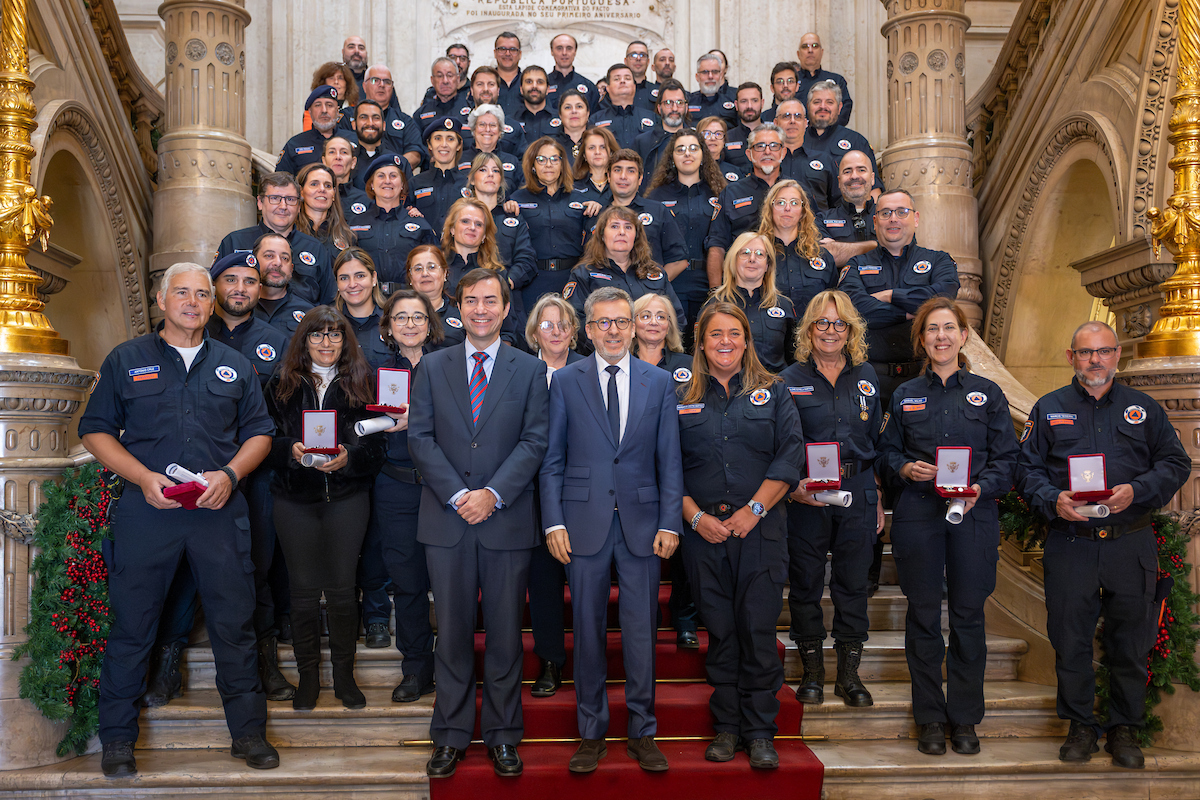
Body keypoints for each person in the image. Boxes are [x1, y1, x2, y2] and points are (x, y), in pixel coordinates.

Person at [81, 263, 279, 777]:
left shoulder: (235, 365)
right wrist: (144, 477)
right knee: (133, 628)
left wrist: (231, 475)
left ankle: (248, 734)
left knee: (235, 627)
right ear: (162, 300)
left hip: (217, 513)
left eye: (202, 295)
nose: (192, 302)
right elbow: (96, 431)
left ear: (212, 305)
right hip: (149, 513)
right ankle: (118, 741)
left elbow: (260, 432)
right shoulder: (127, 359)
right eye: (182, 293)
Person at [1017, 321, 1190, 769]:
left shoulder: (1143, 408)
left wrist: (1139, 490)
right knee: (1070, 640)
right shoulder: (1049, 407)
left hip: (1128, 543)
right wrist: (1052, 499)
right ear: (1070, 356)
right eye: (1085, 352)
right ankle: (1079, 727)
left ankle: (1123, 729)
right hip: (1071, 542)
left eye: (1104, 351)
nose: (1095, 360)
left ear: (1117, 355)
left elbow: (1175, 462)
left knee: (1130, 642)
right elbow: (1025, 469)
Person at [408, 268, 550, 779]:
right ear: (458, 306)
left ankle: (503, 734)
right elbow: (419, 439)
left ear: (507, 307)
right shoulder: (432, 366)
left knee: (507, 634)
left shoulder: (529, 370)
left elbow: (535, 442)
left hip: (504, 521)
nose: (482, 309)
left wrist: (491, 494)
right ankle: (449, 735)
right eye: (472, 301)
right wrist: (457, 494)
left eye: (491, 301)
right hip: (446, 522)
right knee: (451, 634)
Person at [540, 286, 683, 774]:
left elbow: (670, 460)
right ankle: (590, 732)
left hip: (644, 525)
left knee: (642, 631)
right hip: (582, 525)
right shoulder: (565, 381)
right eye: (603, 322)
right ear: (588, 329)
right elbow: (552, 461)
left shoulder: (659, 382)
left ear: (634, 324)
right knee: (587, 631)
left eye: (621, 321)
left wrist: (670, 521)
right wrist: (554, 520)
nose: (613, 331)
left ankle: (643, 730)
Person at [879, 297, 1019, 755]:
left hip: (974, 516)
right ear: (921, 340)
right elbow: (888, 454)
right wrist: (905, 471)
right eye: (932, 329)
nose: (940, 336)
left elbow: (1008, 459)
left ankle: (964, 719)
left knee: (968, 617)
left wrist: (983, 487)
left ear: (963, 336)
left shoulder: (988, 394)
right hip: (919, 514)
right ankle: (930, 719)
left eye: (948, 328)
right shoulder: (904, 396)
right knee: (922, 617)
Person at [677, 301, 803, 770]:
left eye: (734, 333)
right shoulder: (681, 395)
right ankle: (728, 729)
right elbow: (667, 470)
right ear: (701, 342)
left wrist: (753, 510)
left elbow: (789, 458)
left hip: (761, 532)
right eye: (715, 334)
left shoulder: (774, 391)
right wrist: (694, 519)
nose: (724, 341)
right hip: (703, 534)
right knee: (723, 633)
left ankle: (760, 731)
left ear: (747, 339)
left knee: (756, 629)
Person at [264, 306, 386, 712]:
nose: (327, 342)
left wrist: (349, 457)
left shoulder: (363, 384)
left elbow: (377, 448)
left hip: (347, 499)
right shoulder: (279, 385)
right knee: (301, 593)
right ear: (304, 340)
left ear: (345, 340)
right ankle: (309, 678)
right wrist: (289, 451)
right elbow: (261, 441)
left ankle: (345, 677)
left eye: (335, 335)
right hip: (294, 500)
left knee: (341, 590)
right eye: (317, 335)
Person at [778, 290, 883, 712]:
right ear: (808, 329)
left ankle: (849, 674)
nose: (830, 331)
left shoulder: (868, 376)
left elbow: (874, 440)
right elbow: (781, 445)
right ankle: (813, 673)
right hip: (807, 496)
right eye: (822, 323)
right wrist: (792, 489)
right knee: (805, 583)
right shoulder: (788, 379)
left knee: (853, 583)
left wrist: (874, 496)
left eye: (839, 324)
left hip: (857, 490)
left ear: (851, 330)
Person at [207, 252, 294, 700]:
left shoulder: (276, 340)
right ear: (216, 286)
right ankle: (167, 658)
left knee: (254, 567)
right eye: (230, 280)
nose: (240, 288)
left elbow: (282, 413)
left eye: (249, 281)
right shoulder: (191, 333)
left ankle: (265, 661)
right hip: (197, 473)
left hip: (255, 475)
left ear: (260, 291)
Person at [370, 289, 445, 703]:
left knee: (450, 583)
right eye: (401, 317)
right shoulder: (373, 370)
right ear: (389, 326)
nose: (410, 324)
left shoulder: (451, 364)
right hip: (395, 486)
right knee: (409, 583)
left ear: (430, 323)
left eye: (418, 317)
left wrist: (415, 417)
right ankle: (416, 669)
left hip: (444, 488)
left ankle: (452, 666)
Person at [839, 188, 960, 405]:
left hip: (925, 376)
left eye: (902, 212)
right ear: (875, 222)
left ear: (916, 218)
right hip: (868, 379)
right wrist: (913, 313)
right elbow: (856, 309)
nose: (893, 219)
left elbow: (942, 299)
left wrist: (889, 295)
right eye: (885, 213)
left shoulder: (939, 261)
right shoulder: (856, 265)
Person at [523, 294, 585, 698]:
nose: (556, 331)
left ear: (574, 332)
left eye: (563, 324)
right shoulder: (520, 374)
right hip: (531, 496)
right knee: (544, 585)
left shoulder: (589, 371)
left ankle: (591, 660)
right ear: (533, 333)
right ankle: (550, 661)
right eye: (547, 325)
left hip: (582, 495)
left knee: (585, 584)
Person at [647, 128, 727, 333]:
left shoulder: (720, 193)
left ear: (703, 155)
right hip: (671, 283)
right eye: (680, 149)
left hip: (710, 283)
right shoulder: (656, 196)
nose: (687, 153)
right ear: (672, 158)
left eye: (693, 148)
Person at [217, 172, 336, 306]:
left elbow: (329, 302)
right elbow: (216, 292)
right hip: (247, 323)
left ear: (298, 206)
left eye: (290, 199)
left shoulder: (315, 248)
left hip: (300, 324)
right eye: (275, 198)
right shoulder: (234, 242)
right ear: (260, 203)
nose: (283, 206)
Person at [510, 136, 601, 309]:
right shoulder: (516, 200)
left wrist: (596, 209)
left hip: (571, 278)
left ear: (562, 164)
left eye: (554, 159)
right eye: (541, 159)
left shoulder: (581, 200)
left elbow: (593, 245)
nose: (548, 164)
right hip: (533, 280)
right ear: (532, 166)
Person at [564, 204, 685, 333]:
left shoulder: (656, 274)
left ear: (636, 236)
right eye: (614, 226)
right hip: (605, 349)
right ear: (602, 235)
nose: (622, 232)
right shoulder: (583, 274)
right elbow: (575, 322)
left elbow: (677, 318)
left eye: (628, 227)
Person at [705, 123, 787, 288]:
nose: (767, 151)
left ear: (783, 152)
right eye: (760, 146)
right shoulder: (731, 193)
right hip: (742, 285)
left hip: (788, 282)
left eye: (774, 146)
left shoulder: (795, 192)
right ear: (749, 154)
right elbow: (717, 245)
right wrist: (715, 293)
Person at [706, 230, 797, 372]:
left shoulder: (783, 305)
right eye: (745, 253)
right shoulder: (714, 304)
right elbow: (701, 357)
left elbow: (794, 359)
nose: (752, 259)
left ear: (768, 265)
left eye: (760, 254)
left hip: (775, 388)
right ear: (733, 260)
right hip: (730, 388)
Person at [348, 154, 438, 292]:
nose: (387, 181)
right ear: (371, 184)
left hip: (409, 298)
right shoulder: (355, 224)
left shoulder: (419, 223)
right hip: (368, 299)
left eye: (393, 176)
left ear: (402, 185)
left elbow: (435, 264)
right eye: (381, 176)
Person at [598, 149, 688, 277]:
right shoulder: (596, 213)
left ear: (640, 179)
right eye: (617, 170)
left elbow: (679, 261)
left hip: (648, 294)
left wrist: (654, 285)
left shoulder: (658, 211)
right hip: (605, 293)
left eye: (631, 171)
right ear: (608, 176)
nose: (623, 176)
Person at [757, 178, 838, 313]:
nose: (787, 208)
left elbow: (833, 304)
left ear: (802, 212)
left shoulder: (822, 257)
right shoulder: (757, 254)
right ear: (770, 210)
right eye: (780, 202)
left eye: (794, 203)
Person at [805, 80, 880, 186]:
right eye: (817, 102)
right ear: (808, 107)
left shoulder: (856, 141)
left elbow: (873, 186)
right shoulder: (796, 141)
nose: (823, 106)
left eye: (829, 102)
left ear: (839, 108)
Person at [817, 150, 879, 266]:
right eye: (847, 171)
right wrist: (877, 245)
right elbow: (827, 257)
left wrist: (839, 247)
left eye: (861, 170)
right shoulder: (821, 220)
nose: (854, 176)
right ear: (839, 182)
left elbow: (901, 251)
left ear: (872, 178)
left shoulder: (889, 216)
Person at [772, 98, 835, 210]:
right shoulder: (768, 160)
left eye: (798, 116)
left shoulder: (825, 160)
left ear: (806, 123)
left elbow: (837, 203)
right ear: (775, 123)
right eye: (786, 116)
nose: (792, 121)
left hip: (817, 225)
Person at [333, 248, 390, 369]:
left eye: (360, 276)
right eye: (344, 278)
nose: (352, 284)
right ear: (337, 283)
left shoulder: (392, 323)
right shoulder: (327, 325)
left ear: (373, 278)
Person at [360, 66, 425, 170]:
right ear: (364, 86)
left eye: (387, 82)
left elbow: (415, 154)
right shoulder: (350, 117)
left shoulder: (406, 121)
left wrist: (391, 169)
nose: (381, 85)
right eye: (375, 80)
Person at [278, 86, 352, 176]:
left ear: (337, 111)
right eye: (317, 105)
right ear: (310, 112)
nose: (324, 110)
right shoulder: (294, 144)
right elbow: (281, 181)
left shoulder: (353, 139)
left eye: (329, 105)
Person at [252, 233, 315, 338]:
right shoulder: (241, 307)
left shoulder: (309, 314)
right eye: (269, 256)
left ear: (291, 268)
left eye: (284, 258)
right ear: (254, 262)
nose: (278, 262)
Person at [410, 116, 468, 232]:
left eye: (450, 139)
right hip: (425, 248)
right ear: (430, 145)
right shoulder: (415, 183)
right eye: (438, 138)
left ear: (459, 145)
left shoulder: (469, 184)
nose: (444, 144)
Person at [407, 244, 466, 349]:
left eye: (432, 267)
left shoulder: (462, 313)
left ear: (444, 273)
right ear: (410, 278)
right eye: (417, 269)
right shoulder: (397, 314)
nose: (425, 273)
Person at [634, 79, 690, 186]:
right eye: (668, 103)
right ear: (659, 108)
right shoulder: (643, 142)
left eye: (680, 103)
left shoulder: (696, 140)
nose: (674, 108)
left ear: (686, 108)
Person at [461, 105, 523, 195]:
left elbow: (522, 193)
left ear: (500, 131)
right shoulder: (459, 159)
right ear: (474, 130)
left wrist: (512, 203)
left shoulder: (513, 161)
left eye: (493, 125)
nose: (487, 129)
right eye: (482, 125)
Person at [295, 162, 355, 252]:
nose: (322, 189)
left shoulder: (348, 236)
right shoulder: (290, 232)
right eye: (314, 184)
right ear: (301, 192)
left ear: (334, 194)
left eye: (328, 186)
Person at [592, 63, 655, 149]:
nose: (622, 81)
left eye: (627, 78)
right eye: (617, 79)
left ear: (634, 87)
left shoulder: (652, 118)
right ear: (608, 88)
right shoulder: (595, 120)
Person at [796, 34, 853, 126]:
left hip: (831, 136)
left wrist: (825, 130)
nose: (810, 50)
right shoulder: (790, 82)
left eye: (815, 46)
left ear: (821, 52)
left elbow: (845, 110)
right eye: (805, 46)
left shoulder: (837, 80)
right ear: (798, 54)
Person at [322, 135, 371, 217]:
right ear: (324, 161)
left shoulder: (367, 201)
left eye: (344, 152)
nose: (338, 157)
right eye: (332, 152)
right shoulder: (314, 198)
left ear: (353, 162)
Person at [303, 62, 359, 132]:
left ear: (347, 83)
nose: (336, 82)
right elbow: (308, 134)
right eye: (331, 78)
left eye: (340, 78)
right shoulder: (313, 109)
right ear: (323, 83)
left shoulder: (356, 108)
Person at [512, 65, 559, 144]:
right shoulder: (511, 121)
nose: (534, 86)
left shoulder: (560, 120)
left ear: (548, 89)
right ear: (521, 89)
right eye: (529, 82)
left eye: (540, 82)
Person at [572, 125, 619, 203]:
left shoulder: (621, 184)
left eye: (603, 147)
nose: (597, 152)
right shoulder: (572, 187)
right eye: (592, 148)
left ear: (611, 152)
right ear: (584, 155)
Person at [547, 33, 598, 104]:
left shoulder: (589, 87)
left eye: (569, 48)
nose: (564, 53)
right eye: (559, 48)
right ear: (552, 51)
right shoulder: (542, 85)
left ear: (575, 51)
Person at [689, 53, 737, 126]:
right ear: (697, 77)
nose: (710, 76)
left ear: (721, 76)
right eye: (705, 72)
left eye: (715, 72)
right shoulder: (689, 101)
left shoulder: (734, 98)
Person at [724, 82, 764, 170]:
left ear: (762, 103)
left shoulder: (774, 136)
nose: (749, 106)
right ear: (736, 105)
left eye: (754, 100)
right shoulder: (726, 138)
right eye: (744, 101)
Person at [417, 57, 469, 122]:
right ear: (432, 80)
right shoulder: (421, 114)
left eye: (449, 75)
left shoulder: (470, 110)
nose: (445, 81)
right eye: (439, 76)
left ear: (458, 79)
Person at [697, 116, 742, 181]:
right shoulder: (691, 172)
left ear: (724, 141)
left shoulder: (736, 172)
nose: (713, 138)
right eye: (707, 134)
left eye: (718, 134)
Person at [493, 32, 525, 117]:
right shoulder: (486, 84)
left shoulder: (528, 83)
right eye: (502, 49)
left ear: (520, 54)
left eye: (513, 50)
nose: (507, 54)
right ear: (495, 53)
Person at [554, 88, 592, 160]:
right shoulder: (552, 145)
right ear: (560, 115)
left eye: (579, 106)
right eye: (568, 107)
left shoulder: (600, 144)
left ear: (588, 113)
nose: (574, 111)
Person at [625, 40, 658, 106]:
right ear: (626, 61)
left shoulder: (658, 92)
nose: (638, 58)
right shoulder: (616, 90)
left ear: (648, 61)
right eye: (633, 55)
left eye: (643, 55)